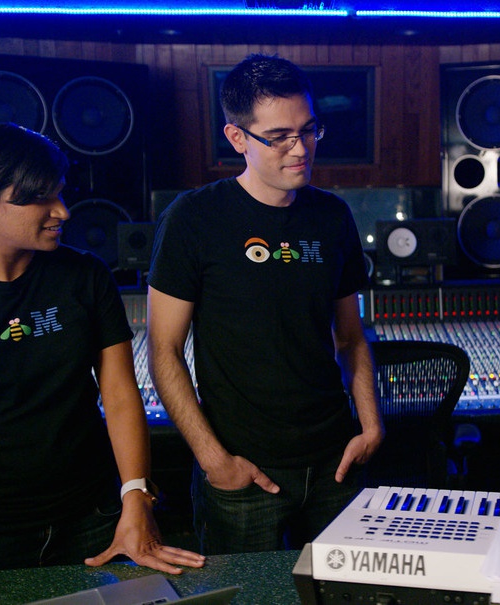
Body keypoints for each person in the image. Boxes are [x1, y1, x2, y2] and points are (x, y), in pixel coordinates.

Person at [0, 123, 205, 604]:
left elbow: (120, 395)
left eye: (59, 193)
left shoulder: (84, 275)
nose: (61, 210)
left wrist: (135, 497)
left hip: (91, 520)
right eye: (38, 198)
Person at [147, 53, 383, 555]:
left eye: (309, 129)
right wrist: (214, 460)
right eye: (279, 136)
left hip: (336, 462)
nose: (301, 149)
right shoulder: (193, 218)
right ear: (238, 139)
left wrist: (369, 424)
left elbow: (351, 335)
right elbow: (164, 350)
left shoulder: (332, 216)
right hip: (243, 472)